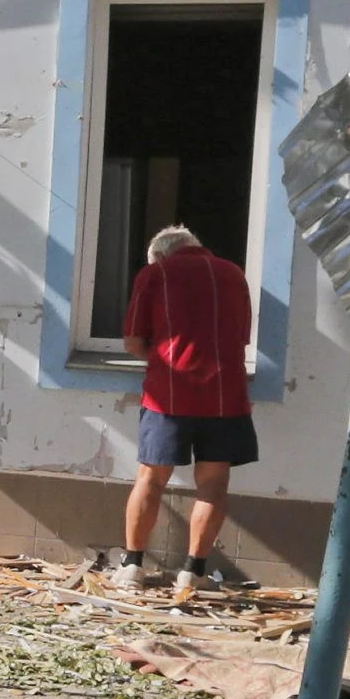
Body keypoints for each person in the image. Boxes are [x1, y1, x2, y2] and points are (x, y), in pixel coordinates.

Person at [120, 222, 260, 599]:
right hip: (224, 396)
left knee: (151, 479)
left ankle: (133, 566)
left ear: (161, 254)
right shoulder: (234, 274)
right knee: (213, 485)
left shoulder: (156, 273)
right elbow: (241, 338)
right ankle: (193, 572)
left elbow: (133, 341)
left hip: (169, 395)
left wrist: (165, 356)